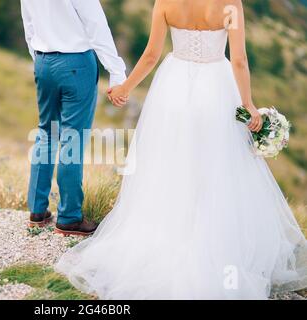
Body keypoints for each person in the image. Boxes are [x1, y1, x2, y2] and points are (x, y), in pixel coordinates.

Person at [56, 0, 307, 299]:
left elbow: (151, 55)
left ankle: (168, 239)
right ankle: (212, 246)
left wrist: (125, 88)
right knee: (216, 167)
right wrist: (248, 104)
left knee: (169, 165)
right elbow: (238, 60)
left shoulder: (166, 2)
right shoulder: (230, 5)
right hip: (216, 91)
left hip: (173, 92)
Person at [20, 0, 127, 236]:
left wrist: (39, 59)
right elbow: (96, 24)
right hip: (76, 63)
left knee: (47, 133)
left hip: (43, 61)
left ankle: (37, 211)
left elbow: (29, 24)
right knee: (72, 139)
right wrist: (116, 72)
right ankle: (69, 217)